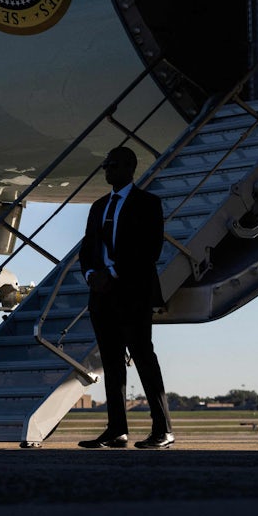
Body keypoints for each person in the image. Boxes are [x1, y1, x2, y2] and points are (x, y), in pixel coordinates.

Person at [78, 146, 174, 449]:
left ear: (130, 168)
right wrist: (91, 275)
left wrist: (115, 273)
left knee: (144, 359)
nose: (107, 170)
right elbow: (87, 249)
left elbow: (150, 250)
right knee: (111, 363)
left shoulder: (148, 203)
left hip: (132, 292)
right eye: (106, 165)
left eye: (113, 165)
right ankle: (116, 430)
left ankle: (163, 430)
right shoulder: (98, 206)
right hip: (101, 295)